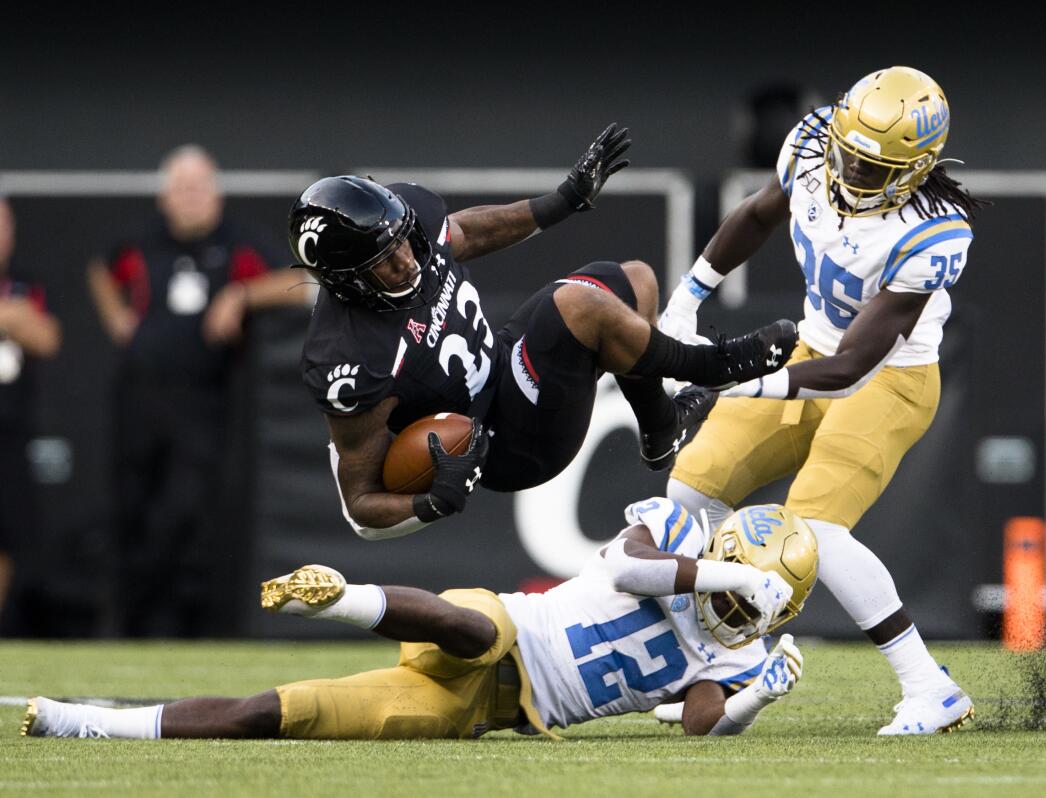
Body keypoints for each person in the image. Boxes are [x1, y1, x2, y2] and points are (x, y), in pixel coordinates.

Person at [657, 67, 986, 735]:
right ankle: (711, 670)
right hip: (811, 352)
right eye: (847, 151)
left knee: (816, 532)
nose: (846, 170)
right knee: (689, 494)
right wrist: (686, 300)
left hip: (889, 379)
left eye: (869, 166)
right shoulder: (812, 143)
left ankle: (931, 688)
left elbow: (852, 367)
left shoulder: (933, 233)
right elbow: (755, 214)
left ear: (912, 170)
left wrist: (737, 380)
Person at [291, 125, 799, 542]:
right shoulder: (351, 357)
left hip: (503, 364)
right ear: (347, 280)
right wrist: (430, 503)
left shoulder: (408, 227)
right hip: (502, 439)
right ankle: (713, 367)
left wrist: (563, 200)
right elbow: (360, 507)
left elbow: (465, 233)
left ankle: (660, 427)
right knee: (579, 306)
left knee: (634, 281)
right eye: (384, 261)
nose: (407, 260)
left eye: (403, 240)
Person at [22, 498, 817, 740]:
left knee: (287, 713)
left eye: (751, 604)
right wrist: (724, 571)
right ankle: (340, 598)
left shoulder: (741, 654)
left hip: (483, 710)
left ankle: (83, 726)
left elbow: (698, 726)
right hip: (509, 624)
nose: (732, 608)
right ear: (720, 551)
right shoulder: (679, 538)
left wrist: (757, 697)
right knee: (471, 627)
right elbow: (627, 568)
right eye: (733, 585)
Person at [87, 145, 312, 637]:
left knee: (188, 510)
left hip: (203, 400)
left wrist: (240, 294)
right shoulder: (140, 242)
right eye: (181, 189)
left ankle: (188, 625)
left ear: (216, 196)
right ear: (164, 197)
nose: (190, 199)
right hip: (139, 397)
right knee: (132, 508)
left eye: (199, 189)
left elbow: (302, 283)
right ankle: (128, 626)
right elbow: (101, 272)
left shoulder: (237, 244)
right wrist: (118, 320)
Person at [0, 197, 62, 625]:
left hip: (8, 428)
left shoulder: (25, 282)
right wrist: (10, 318)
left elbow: (46, 337)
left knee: (7, 536)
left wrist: (18, 318)